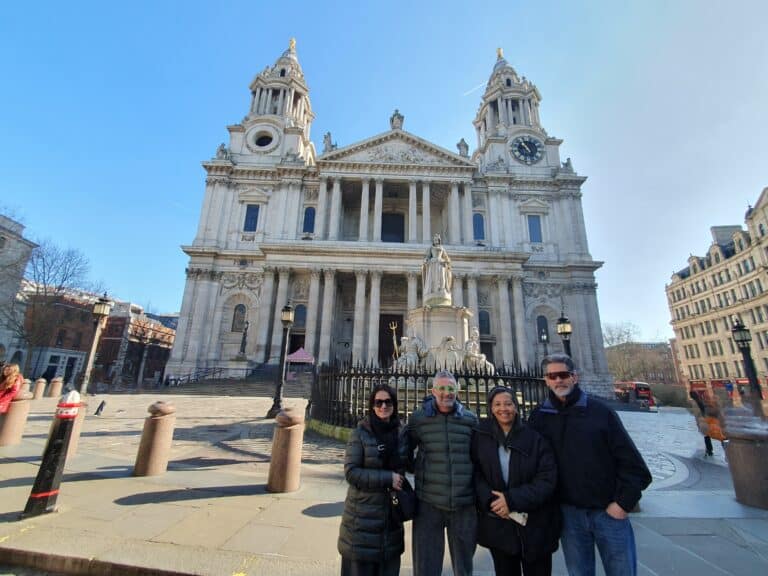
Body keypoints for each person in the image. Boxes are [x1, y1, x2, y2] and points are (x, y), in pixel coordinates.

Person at [528, 354, 652, 576]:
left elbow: (635, 467)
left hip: (607, 513)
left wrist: (622, 504)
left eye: (563, 375)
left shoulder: (600, 412)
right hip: (569, 516)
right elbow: (531, 463)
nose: (558, 380)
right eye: (552, 376)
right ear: (545, 380)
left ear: (574, 377)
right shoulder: (540, 417)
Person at [471, 387, 560, 576]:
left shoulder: (536, 439)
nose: (503, 408)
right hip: (500, 527)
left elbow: (547, 479)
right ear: (491, 408)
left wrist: (511, 500)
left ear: (516, 407)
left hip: (536, 527)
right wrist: (492, 502)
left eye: (508, 403)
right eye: (497, 404)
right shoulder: (481, 436)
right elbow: (476, 473)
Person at [405, 370, 477, 576]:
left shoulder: (470, 420)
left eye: (451, 388)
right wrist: (415, 468)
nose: (447, 393)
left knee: (464, 567)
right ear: (433, 391)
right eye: (442, 389)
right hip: (429, 503)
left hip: (464, 503)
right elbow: (404, 449)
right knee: (426, 565)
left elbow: (481, 457)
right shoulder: (419, 419)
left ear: (458, 390)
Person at [338, 384, 406, 576]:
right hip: (362, 522)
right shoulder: (360, 433)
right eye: (378, 402)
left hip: (390, 521)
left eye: (388, 402)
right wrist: (388, 478)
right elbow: (351, 473)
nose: (383, 406)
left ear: (394, 405)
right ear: (372, 406)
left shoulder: (402, 434)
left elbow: (411, 463)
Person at [422, 234, 452, 304]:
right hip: (433, 264)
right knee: (433, 278)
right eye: (434, 240)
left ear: (439, 240)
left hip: (441, 264)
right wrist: (426, 260)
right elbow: (427, 256)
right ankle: (433, 290)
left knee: (442, 278)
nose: (435, 241)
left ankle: (442, 289)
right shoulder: (431, 248)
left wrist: (447, 261)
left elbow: (446, 257)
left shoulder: (442, 248)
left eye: (437, 240)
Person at [689, 390, 714, 456]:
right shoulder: (700, 401)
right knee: (707, 435)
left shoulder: (694, 403)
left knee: (706, 436)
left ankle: (709, 450)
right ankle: (709, 449)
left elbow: (696, 413)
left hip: (701, 420)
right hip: (705, 419)